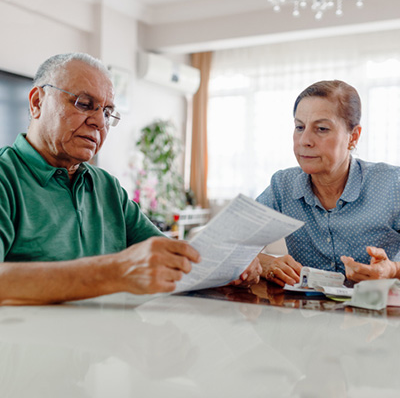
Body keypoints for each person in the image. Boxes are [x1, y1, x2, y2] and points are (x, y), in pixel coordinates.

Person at [0, 52, 261, 305]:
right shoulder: (6, 176)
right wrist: (117, 271)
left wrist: (232, 261)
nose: (99, 123)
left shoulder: (106, 186)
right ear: (37, 102)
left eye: (107, 112)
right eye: (84, 103)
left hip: (110, 342)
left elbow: (164, 253)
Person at [256, 80, 400, 286]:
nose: (304, 140)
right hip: (304, 313)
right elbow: (230, 245)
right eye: (299, 127)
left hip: (377, 312)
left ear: (353, 137)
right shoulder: (282, 186)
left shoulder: (392, 184)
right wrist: (267, 263)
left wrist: (393, 269)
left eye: (322, 128)